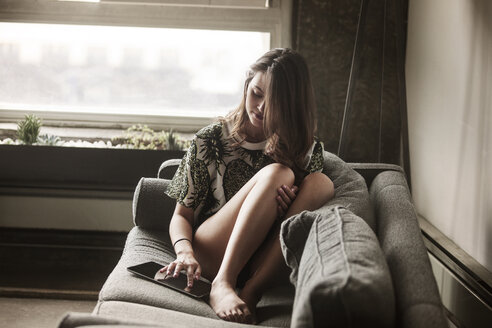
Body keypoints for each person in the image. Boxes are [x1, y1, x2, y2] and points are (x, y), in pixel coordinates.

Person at [161, 48, 335, 324]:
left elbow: (300, 219)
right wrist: (185, 253)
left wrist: (286, 205)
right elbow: (181, 215)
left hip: (263, 260)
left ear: (291, 104)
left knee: (321, 184)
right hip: (213, 251)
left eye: (274, 101)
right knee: (278, 173)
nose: (261, 107)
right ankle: (223, 283)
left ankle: (252, 292)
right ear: (246, 87)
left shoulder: (305, 148)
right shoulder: (210, 139)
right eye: (256, 93)